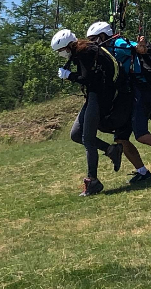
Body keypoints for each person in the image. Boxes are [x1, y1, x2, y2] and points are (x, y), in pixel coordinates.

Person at [86, 21, 151, 181]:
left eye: (93, 40)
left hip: (143, 92)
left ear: (102, 37)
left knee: (141, 135)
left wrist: (141, 47)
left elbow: (137, 48)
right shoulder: (105, 51)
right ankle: (143, 172)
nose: (92, 44)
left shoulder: (118, 43)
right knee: (121, 139)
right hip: (129, 94)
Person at [52, 28, 136, 196]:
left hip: (99, 98)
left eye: (60, 51)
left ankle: (93, 181)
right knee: (76, 134)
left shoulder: (85, 52)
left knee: (88, 139)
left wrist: (69, 76)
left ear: (67, 46)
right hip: (95, 96)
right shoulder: (83, 50)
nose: (60, 54)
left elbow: (88, 78)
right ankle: (112, 150)